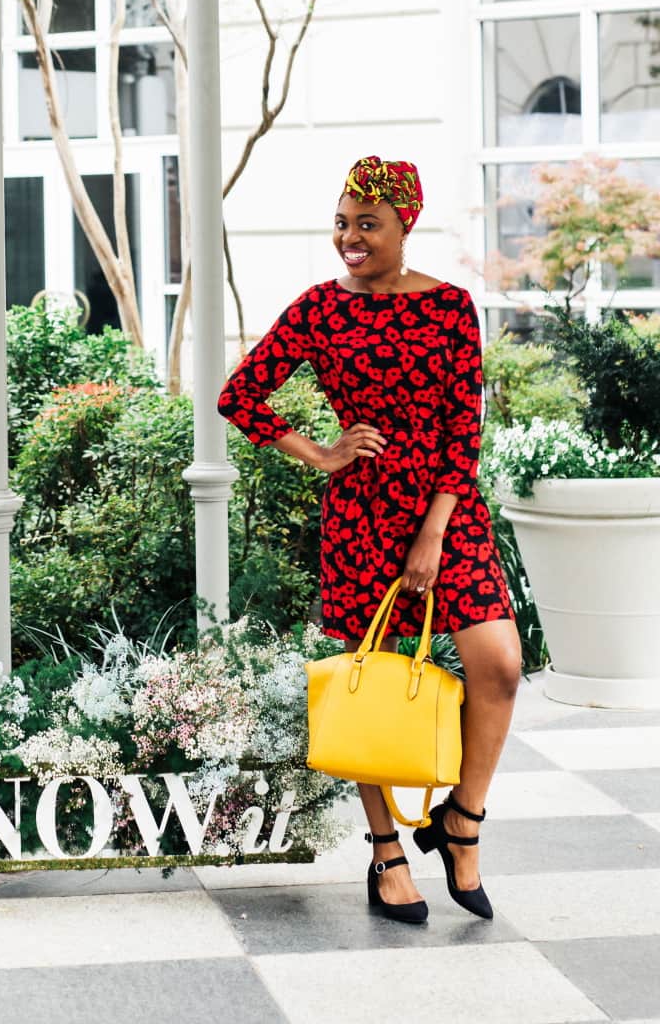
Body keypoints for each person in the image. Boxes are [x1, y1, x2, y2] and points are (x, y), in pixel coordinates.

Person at [217, 154, 521, 927]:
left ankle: (462, 821)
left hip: (446, 514)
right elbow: (240, 395)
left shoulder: (451, 307)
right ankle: (386, 853)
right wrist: (320, 452)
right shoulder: (318, 310)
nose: (350, 238)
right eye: (343, 224)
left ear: (404, 225)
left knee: (501, 667)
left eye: (367, 225)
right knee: (371, 684)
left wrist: (433, 531)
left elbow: (463, 426)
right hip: (360, 517)